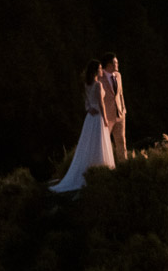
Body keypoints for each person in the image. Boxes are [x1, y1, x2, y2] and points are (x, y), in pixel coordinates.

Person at [50, 60, 114, 194]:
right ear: (96, 70)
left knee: (88, 144)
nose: (101, 70)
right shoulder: (98, 85)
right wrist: (106, 119)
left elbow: (87, 102)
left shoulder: (87, 84)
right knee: (98, 143)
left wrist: (89, 108)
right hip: (98, 118)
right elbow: (101, 104)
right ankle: (100, 169)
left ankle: (91, 168)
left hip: (90, 118)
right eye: (100, 68)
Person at [102, 53, 128, 163]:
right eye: (115, 63)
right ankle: (104, 166)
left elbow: (120, 93)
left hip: (120, 114)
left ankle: (124, 166)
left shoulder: (118, 75)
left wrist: (123, 108)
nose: (117, 64)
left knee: (121, 142)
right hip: (107, 116)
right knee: (104, 143)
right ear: (109, 64)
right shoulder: (99, 77)